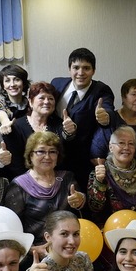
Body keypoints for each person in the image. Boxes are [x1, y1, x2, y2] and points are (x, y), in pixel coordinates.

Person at [4, 131, 85, 270]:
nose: (47, 156)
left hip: (69, 250)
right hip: (35, 256)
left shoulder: (67, 178)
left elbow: (80, 205)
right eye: (41, 151)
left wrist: (81, 199)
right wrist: (32, 249)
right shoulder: (19, 185)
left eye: (52, 152)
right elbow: (10, 230)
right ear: (30, 155)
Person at [51, 47, 115, 190]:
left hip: (80, 160)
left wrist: (105, 116)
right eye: (76, 67)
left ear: (93, 70)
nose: (81, 73)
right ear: (69, 69)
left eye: (86, 68)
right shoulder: (56, 83)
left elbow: (108, 109)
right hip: (53, 155)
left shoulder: (101, 90)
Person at [3, 81, 76, 178]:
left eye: (51, 98)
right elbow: (15, 164)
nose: (46, 102)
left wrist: (70, 133)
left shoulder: (60, 125)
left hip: (55, 179)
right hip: (24, 180)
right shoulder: (16, 126)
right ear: (30, 102)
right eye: (42, 98)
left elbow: (66, 157)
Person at [87, 126, 136, 227]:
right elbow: (95, 208)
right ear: (111, 147)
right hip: (109, 230)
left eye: (131, 144)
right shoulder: (99, 173)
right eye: (121, 143)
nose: (126, 148)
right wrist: (99, 182)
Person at [91, 78, 136, 168]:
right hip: (112, 174)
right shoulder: (110, 119)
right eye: (134, 94)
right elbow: (96, 155)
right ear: (123, 97)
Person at [0, 64, 30, 135]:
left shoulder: (31, 104)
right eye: (7, 81)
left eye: (17, 80)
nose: (12, 84)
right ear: (3, 86)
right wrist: (5, 122)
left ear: (24, 83)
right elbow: (0, 113)